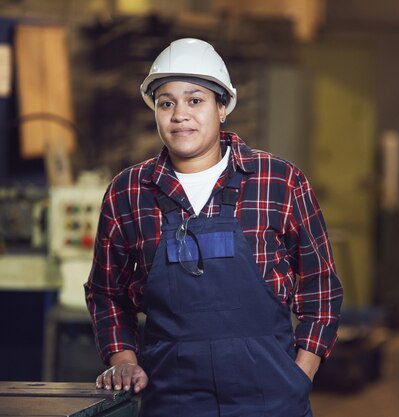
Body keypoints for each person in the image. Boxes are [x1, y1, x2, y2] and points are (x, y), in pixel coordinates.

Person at [84, 38, 343, 417]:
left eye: (195, 100)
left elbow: (320, 285)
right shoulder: (128, 191)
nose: (179, 115)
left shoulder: (278, 180)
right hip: (171, 401)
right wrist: (123, 358)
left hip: (271, 400)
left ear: (222, 108)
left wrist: (300, 373)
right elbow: (106, 292)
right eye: (166, 102)